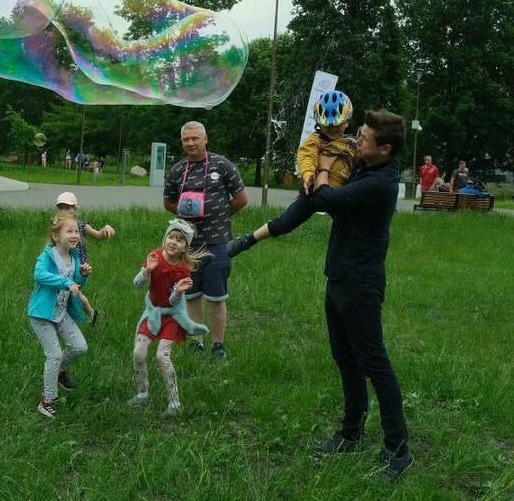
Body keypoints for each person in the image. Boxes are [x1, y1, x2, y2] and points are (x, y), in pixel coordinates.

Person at [226, 109, 413, 481]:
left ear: (385, 149)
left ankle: (398, 450)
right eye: (357, 133)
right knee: (346, 359)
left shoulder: (382, 183)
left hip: (361, 285)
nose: (356, 141)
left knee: (376, 366)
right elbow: (311, 201)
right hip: (340, 278)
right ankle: (351, 433)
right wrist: (252, 239)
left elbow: (327, 200)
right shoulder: (363, 167)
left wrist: (323, 165)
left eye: (364, 139)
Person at [162, 121, 248, 361]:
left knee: (216, 296)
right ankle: (196, 341)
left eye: (195, 138)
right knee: (191, 293)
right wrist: (184, 217)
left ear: (205, 139)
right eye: (186, 140)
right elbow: (168, 201)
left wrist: (221, 215)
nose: (190, 143)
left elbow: (241, 198)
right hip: (187, 244)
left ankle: (218, 345)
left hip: (217, 241)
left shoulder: (222, 165)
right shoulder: (178, 170)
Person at [127, 219, 209, 417]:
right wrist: (147, 270)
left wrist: (179, 292)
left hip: (172, 316)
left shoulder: (183, 269)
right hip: (153, 312)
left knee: (162, 356)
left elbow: (172, 302)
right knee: (139, 353)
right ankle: (142, 393)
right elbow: (136, 284)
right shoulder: (154, 256)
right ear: (165, 239)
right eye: (171, 237)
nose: (174, 242)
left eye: (180, 240)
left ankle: (174, 403)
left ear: (185, 248)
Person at [26, 214, 91, 418]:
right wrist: (65, 282)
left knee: (80, 347)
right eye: (69, 231)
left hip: (61, 313)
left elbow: (75, 285)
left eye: (77, 231)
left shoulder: (75, 257)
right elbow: (39, 275)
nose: (75, 235)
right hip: (42, 314)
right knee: (53, 355)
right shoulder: (48, 255)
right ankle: (47, 400)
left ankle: (60, 372)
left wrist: (82, 275)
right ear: (56, 236)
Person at [54, 191, 113, 325]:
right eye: (62, 207)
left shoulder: (80, 225)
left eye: (69, 207)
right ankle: (87, 316)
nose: (65, 211)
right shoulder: (56, 225)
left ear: (75, 209)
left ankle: (87, 315)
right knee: (66, 292)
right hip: (61, 265)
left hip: (79, 268)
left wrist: (105, 229)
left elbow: (98, 235)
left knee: (74, 293)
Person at [295, 91, 358, 194]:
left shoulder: (350, 145)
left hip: (341, 194)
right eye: (327, 126)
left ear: (346, 122)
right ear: (319, 124)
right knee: (294, 210)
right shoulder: (315, 140)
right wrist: (307, 173)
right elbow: (307, 155)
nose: (332, 129)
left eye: (337, 125)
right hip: (315, 193)